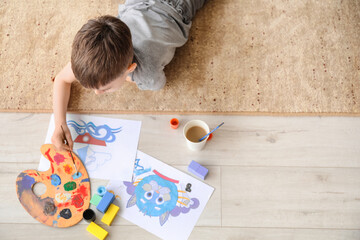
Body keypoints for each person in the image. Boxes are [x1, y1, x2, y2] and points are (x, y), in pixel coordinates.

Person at [51, 0, 207, 151]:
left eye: (105, 88)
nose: (97, 93)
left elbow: (160, 83)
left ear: (130, 69)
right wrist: (60, 124)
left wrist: (129, 78)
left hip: (178, 7)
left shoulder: (146, 74)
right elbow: (61, 79)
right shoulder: (93, 56)